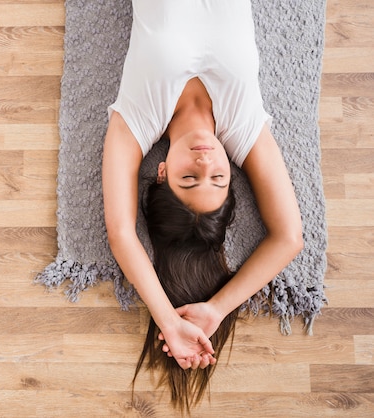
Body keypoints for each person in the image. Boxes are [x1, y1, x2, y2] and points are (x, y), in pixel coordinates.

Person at [101, 0, 303, 411]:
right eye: (218, 178)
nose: (206, 160)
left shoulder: (137, 119)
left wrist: (168, 320)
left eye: (188, 178)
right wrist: (216, 309)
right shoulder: (242, 123)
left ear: (160, 172)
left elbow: (122, 233)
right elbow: (289, 237)